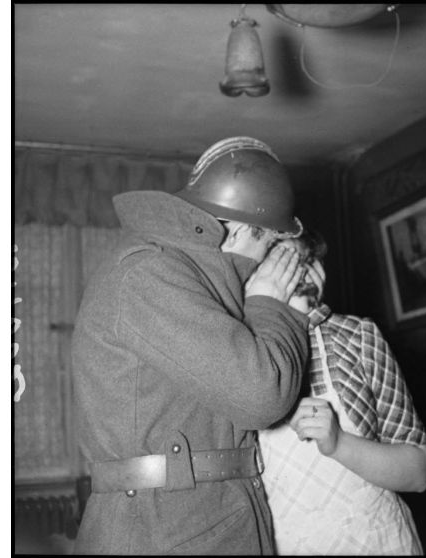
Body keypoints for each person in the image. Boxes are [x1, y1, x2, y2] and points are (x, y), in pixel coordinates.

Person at [71, 137, 311, 555]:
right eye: (269, 247)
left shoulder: (182, 277)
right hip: (160, 531)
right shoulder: (148, 272)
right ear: (240, 231)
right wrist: (272, 303)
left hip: (188, 522)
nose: (265, 265)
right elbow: (261, 396)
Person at [258, 229, 426, 555]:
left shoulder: (358, 336)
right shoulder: (237, 354)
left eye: (307, 259)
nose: (303, 272)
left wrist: (339, 443)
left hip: (378, 543)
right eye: (283, 261)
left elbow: (418, 472)